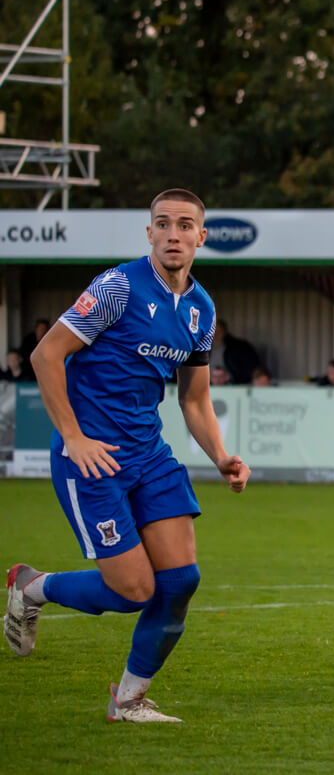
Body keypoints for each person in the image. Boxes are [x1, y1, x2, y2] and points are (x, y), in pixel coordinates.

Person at [4, 188, 250, 723]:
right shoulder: (117, 287)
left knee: (181, 580)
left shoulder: (201, 309)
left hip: (149, 452)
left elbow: (194, 398)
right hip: (91, 457)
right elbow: (46, 355)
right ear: (150, 234)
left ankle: (128, 699)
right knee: (134, 590)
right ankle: (32, 587)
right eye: (163, 224)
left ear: (201, 237)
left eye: (185, 225)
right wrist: (73, 437)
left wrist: (221, 456)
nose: (173, 234)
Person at [209, 319, 260, 385]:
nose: (215, 335)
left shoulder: (239, 347)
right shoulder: (202, 349)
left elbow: (252, 369)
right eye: (212, 332)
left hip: (233, 385)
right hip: (208, 386)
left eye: (219, 332)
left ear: (224, 332)